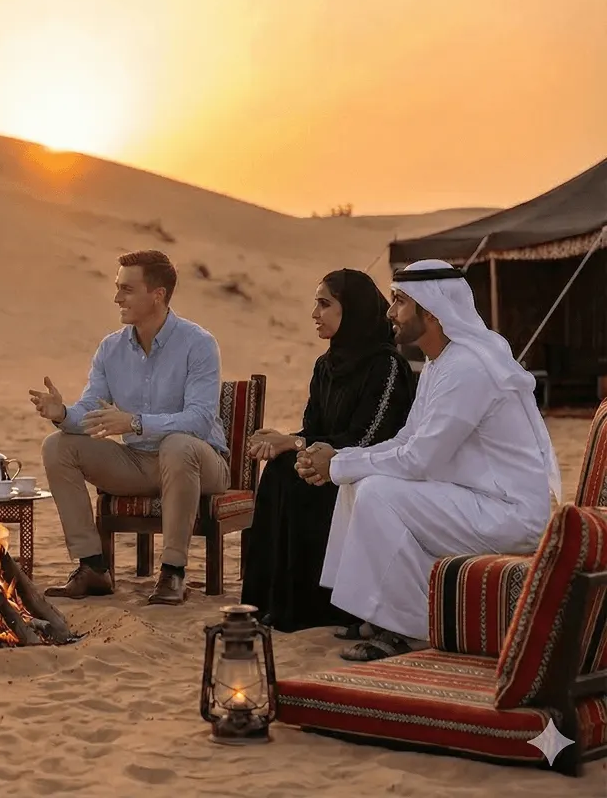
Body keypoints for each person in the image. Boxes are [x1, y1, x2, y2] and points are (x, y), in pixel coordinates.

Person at [297, 258, 560, 660]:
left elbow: (419, 460)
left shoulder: (468, 368)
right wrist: (343, 458)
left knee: (377, 494)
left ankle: (415, 626)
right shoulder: (441, 364)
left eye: (400, 301)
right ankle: (375, 610)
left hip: (509, 513)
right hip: (472, 499)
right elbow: (407, 438)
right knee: (361, 484)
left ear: (431, 311)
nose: (390, 312)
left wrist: (337, 465)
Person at [31, 250, 230, 605]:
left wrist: (135, 422)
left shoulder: (198, 344)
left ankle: (173, 573)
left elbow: (200, 419)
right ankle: (93, 566)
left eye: (127, 289)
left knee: (178, 445)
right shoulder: (110, 348)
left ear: (158, 294)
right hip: (138, 463)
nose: (116, 298)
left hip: (201, 464)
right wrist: (62, 413)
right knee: (57, 445)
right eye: (117, 287)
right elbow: (91, 410)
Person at [240, 269, 415, 633]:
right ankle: (270, 603)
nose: (315, 313)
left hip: (365, 472)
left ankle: (321, 606)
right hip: (327, 463)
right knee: (279, 472)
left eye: (325, 303)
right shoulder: (326, 365)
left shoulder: (386, 366)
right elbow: (313, 430)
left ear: (350, 310)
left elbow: (369, 439)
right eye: (316, 303)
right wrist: (289, 442)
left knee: (301, 481)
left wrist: (299, 444)